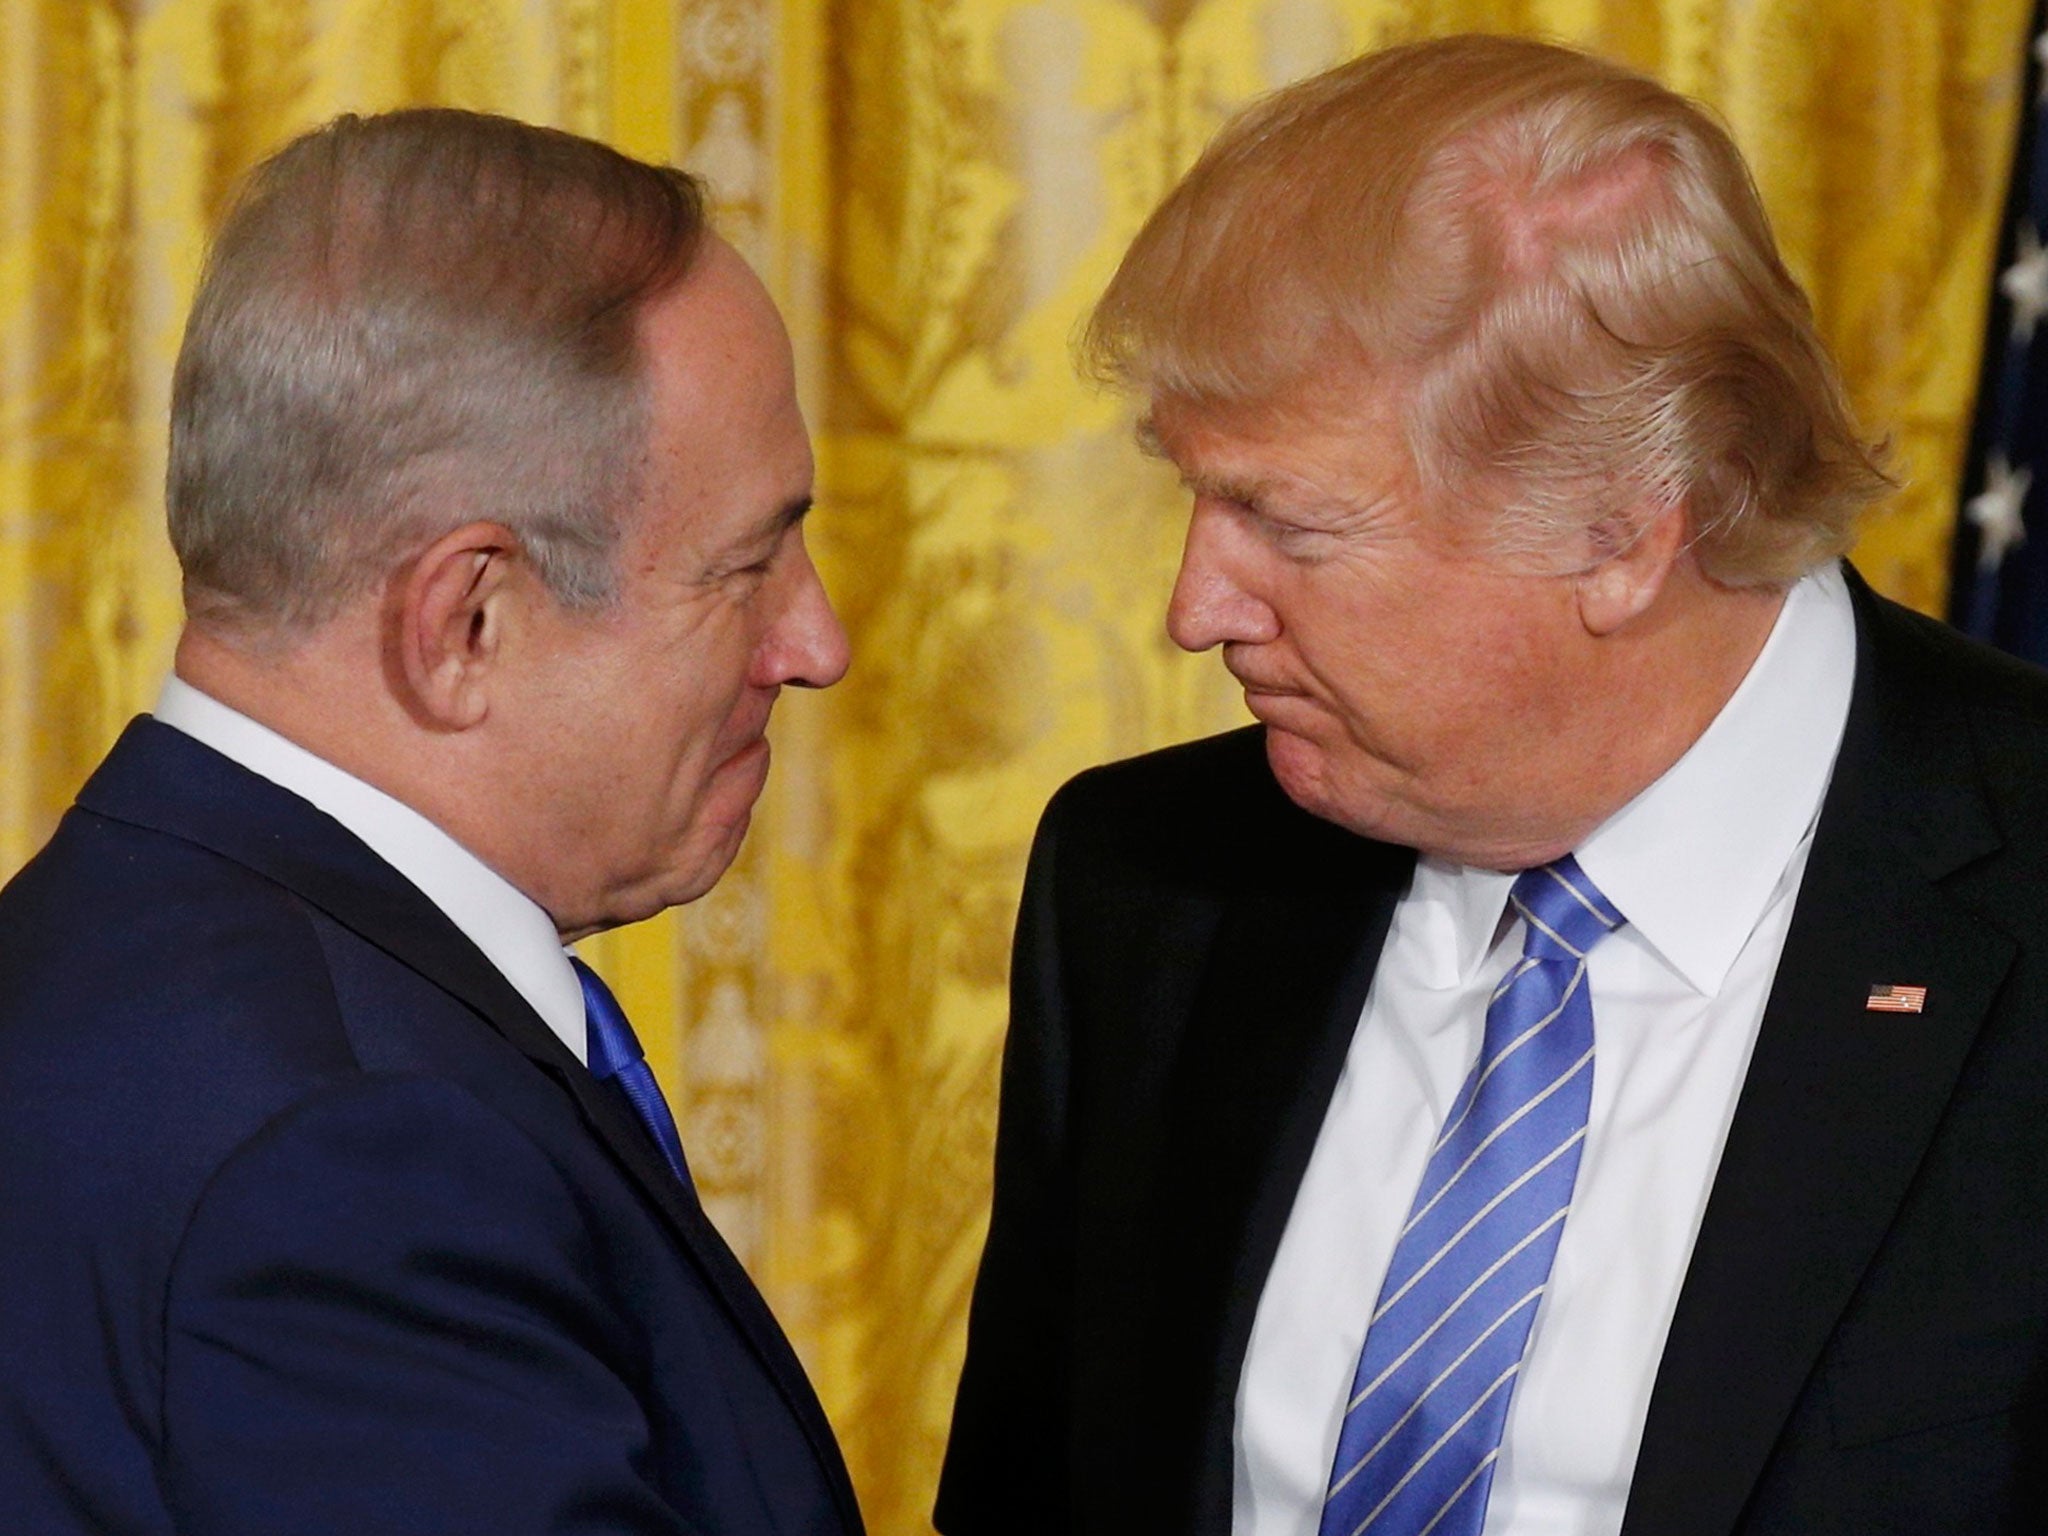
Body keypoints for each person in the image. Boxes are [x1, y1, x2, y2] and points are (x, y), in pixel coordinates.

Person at [938, 35, 2048, 1536]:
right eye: (1196, 499)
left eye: (1292, 526)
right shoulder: (1149, 881)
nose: (1196, 608)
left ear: (1620, 532)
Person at [0, 110, 860, 1534]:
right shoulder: (351, 1158)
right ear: (465, 621)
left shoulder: (94, 954)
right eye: (747, 566)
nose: (815, 642)